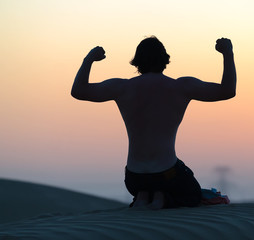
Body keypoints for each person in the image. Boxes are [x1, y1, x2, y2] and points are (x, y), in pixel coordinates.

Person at [71, 36, 236, 209]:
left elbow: (79, 91)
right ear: (165, 60)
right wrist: (227, 53)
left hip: (134, 178)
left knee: (149, 184)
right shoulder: (181, 87)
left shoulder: (122, 88)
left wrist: (89, 59)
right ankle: (161, 197)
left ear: (137, 62)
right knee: (192, 193)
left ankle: (145, 196)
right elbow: (227, 90)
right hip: (168, 174)